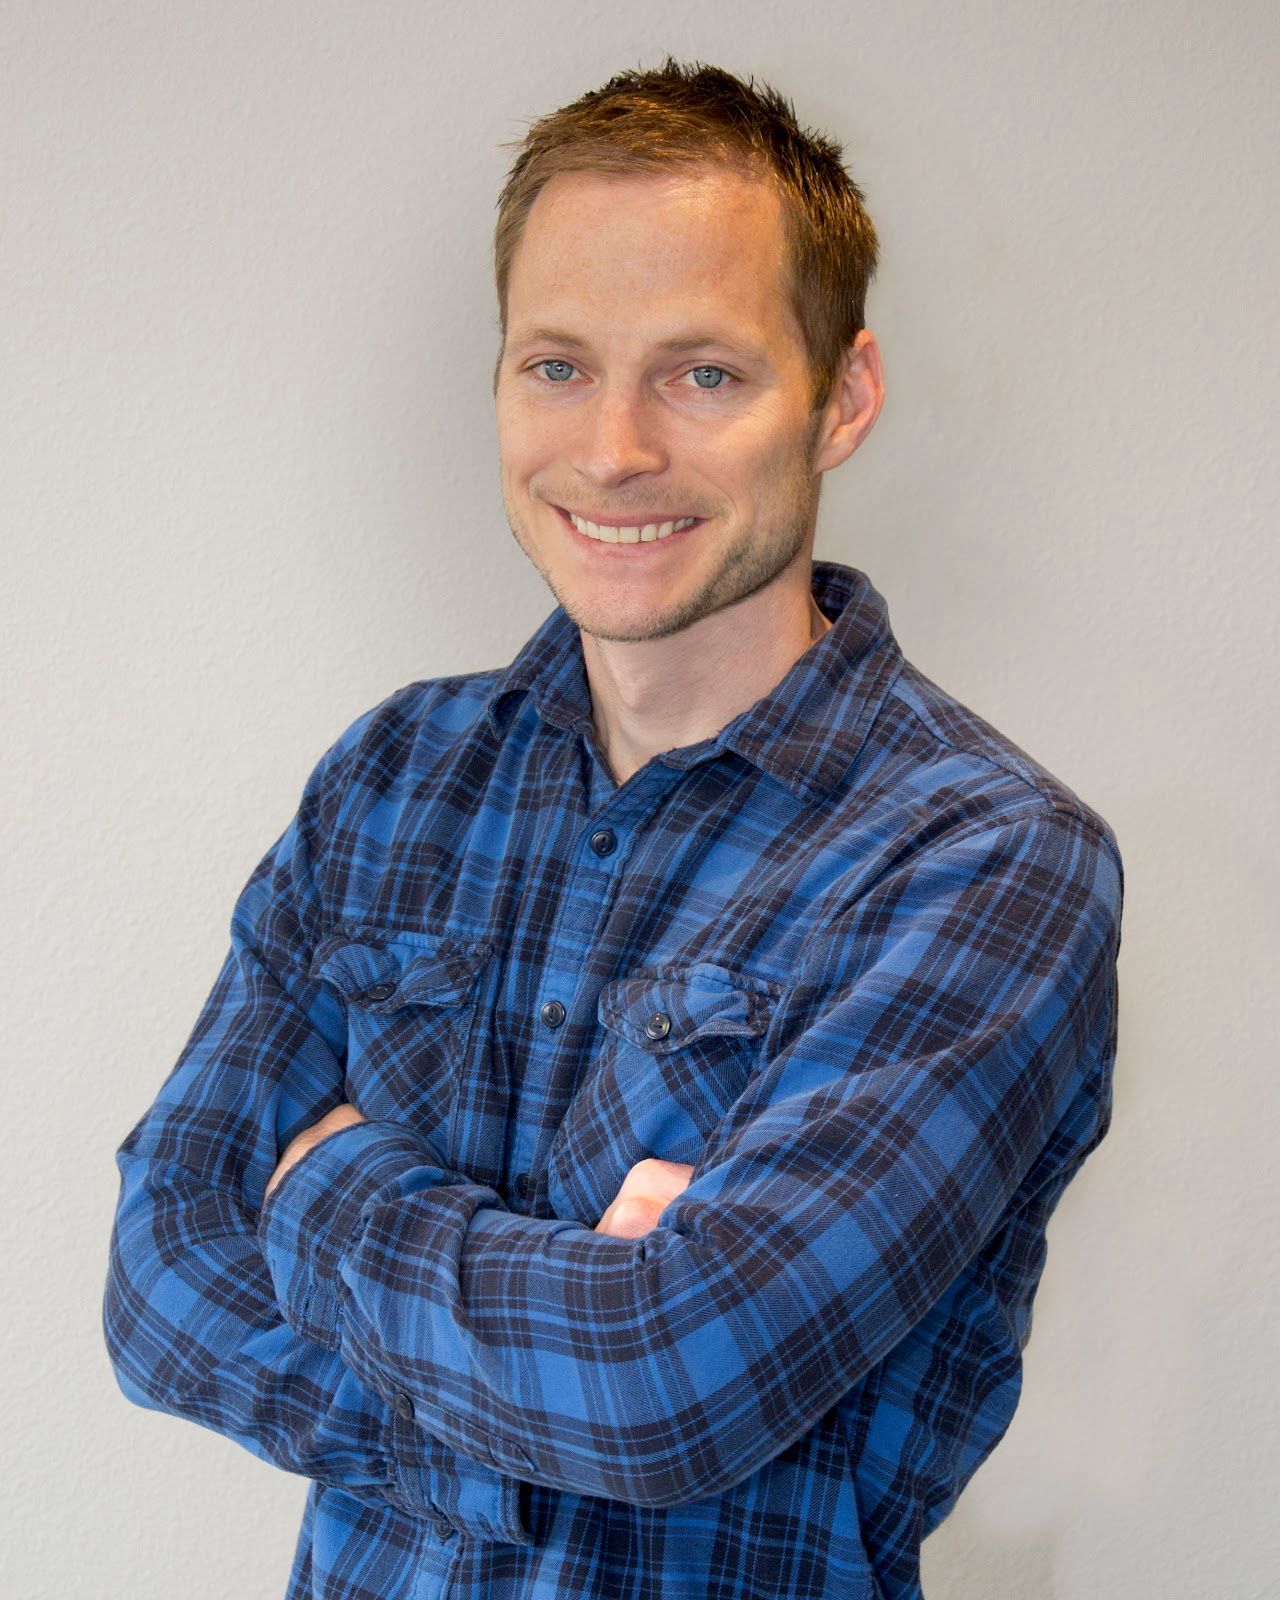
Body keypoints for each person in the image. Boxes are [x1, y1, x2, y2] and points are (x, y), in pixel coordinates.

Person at [103, 57, 1124, 1600]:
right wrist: (561, 1362)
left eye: (702, 373)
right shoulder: (392, 778)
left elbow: (673, 1378)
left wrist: (324, 1186)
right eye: (558, 365)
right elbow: (160, 1281)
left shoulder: (984, 861)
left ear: (841, 397)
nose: (614, 450)